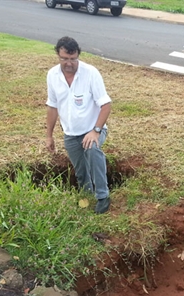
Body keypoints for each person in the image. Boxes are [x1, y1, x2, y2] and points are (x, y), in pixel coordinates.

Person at [45, 36, 112, 214]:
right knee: (81, 171)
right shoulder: (52, 75)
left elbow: (106, 105)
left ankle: (103, 196)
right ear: (58, 56)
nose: (69, 63)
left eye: (73, 59)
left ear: (78, 56)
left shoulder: (90, 73)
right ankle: (86, 196)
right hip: (70, 133)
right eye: (64, 59)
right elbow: (52, 106)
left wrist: (95, 131)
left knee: (92, 150)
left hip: (93, 129)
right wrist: (49, 135)